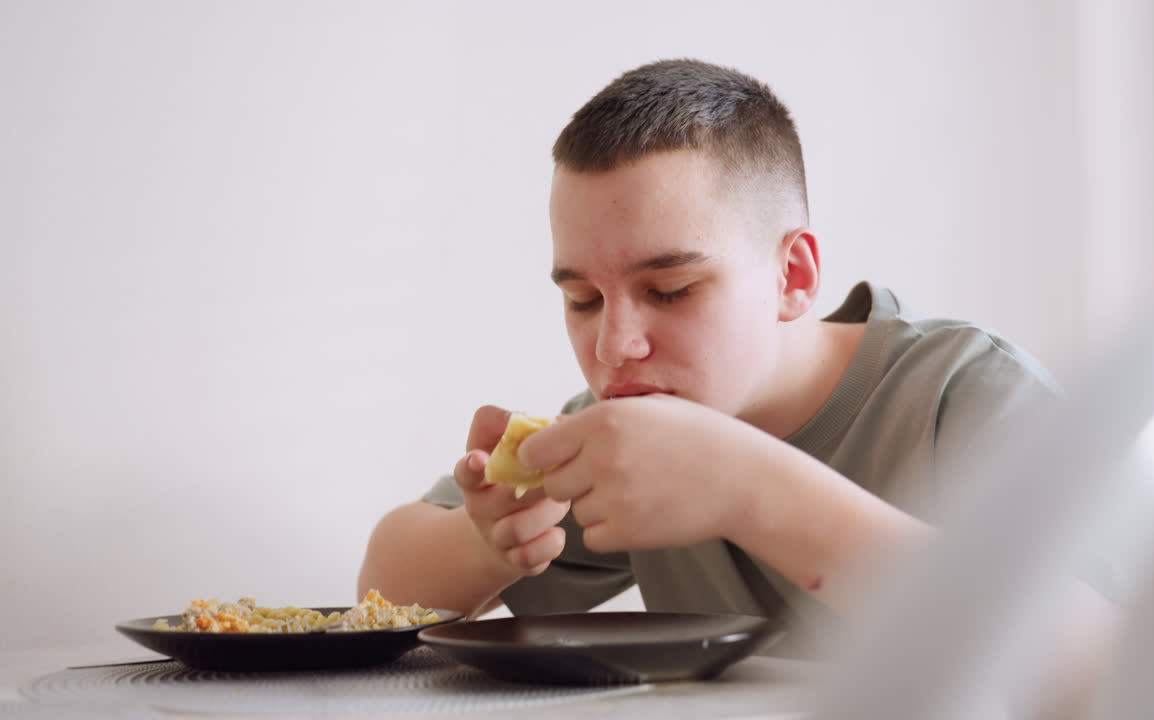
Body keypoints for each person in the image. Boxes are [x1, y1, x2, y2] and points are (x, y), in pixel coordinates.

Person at [359, 59, 1112, 705]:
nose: (616, 345)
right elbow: (379, 591)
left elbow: (1105, 664)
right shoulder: (625, 429)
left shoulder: (967, 394)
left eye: (672, 290)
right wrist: (487, 542)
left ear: (793, 276)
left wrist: (749, 487)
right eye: (582, 299)